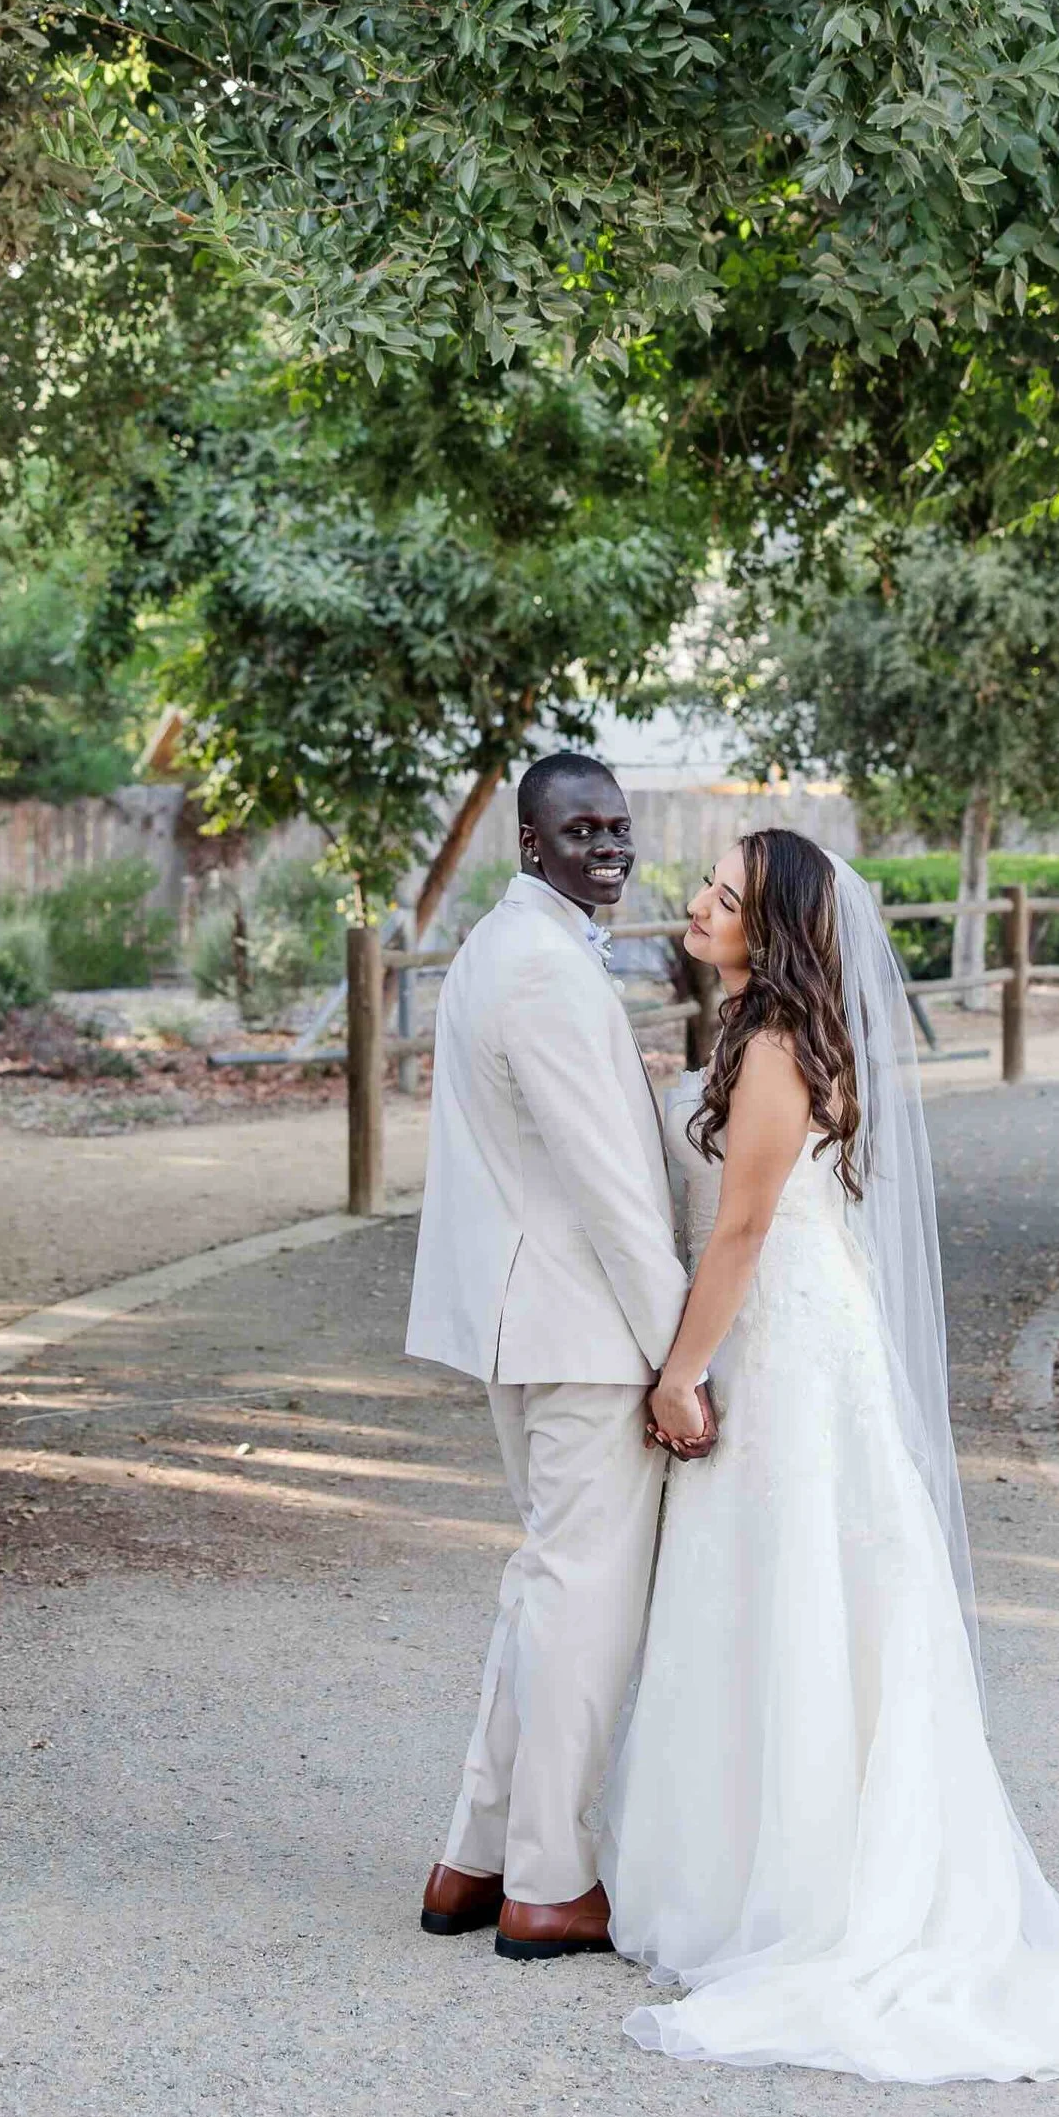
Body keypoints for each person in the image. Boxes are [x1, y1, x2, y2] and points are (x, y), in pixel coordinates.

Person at [604, 826, 1059, 2084]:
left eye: (726, 896)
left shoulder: (768, 1047)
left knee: (803, 1587)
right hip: (805, 1329)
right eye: (706, 885)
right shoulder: (764, 1031)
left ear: (775, 929)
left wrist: (680, 1370)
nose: (698, 904)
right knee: (778, 1590)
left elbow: (745, 1226)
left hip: (787, 1343)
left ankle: (803, 1887)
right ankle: (749, 1856)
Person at [403, 753, 701, 1962]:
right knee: (584, 1601)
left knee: (543, 1587)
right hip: (580, 1330)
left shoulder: (506, 949)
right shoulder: (541, 967)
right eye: (581, 830)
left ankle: (473, 1859)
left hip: (533, 1322)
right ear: (530, 843)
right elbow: (613, 1185)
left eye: (619, 828)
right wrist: (684, 1352)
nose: (608, 848)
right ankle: (546, 1880)